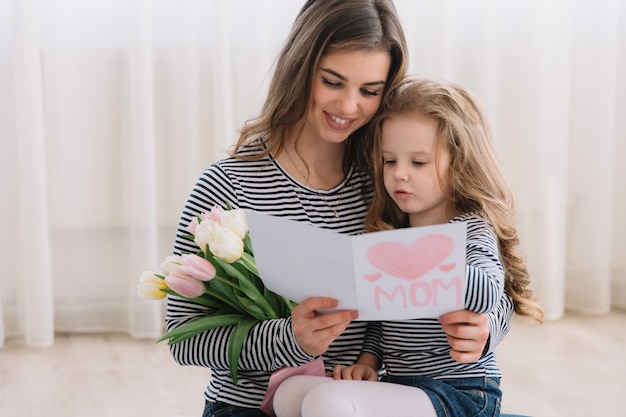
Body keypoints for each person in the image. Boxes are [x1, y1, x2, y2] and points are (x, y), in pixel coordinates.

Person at [165, 2, 514, 416]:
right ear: (300, 68)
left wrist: (487, 329)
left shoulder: (386, 177)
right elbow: (183, 336)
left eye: (370, 91)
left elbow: (478, 280)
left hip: (360, 402)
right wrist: (287, 338)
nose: (350, 106)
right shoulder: (230, 184)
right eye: (333, 82)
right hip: (254, 408)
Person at [273, 76, 545, 417]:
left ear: (459, 164)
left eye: (418, 163)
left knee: (326, 401)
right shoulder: (394, 230)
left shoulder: (471, 228)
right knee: (291, 393)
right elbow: (383, 319)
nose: (400, 174)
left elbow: (488, 292)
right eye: (390, 161)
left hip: (460, 392)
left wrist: (420, 261)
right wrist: (368, 362)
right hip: (400, 384)